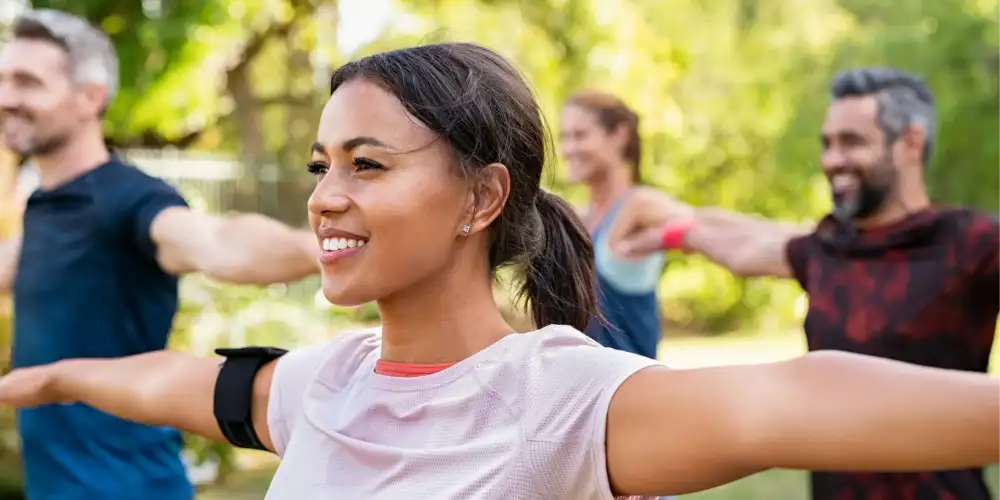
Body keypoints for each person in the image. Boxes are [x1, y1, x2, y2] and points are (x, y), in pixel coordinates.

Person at [3, 43, 1000, 500]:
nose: (323, 195)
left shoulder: (562, 398)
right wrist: (47, 378)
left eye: (367, 164)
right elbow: (184, 382)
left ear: (481, 197)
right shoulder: (324, 382)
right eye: (320, 165)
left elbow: (790, 397)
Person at [616, 67, 1000, 499]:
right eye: (828, 143)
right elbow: (747, 244)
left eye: (852, 142)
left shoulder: (971, 242)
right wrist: (672, 231)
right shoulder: (828, 248)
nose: (832, 160)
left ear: (910, 143)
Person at [0, 10, 320, 500]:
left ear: (91, 97)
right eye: (2, 79)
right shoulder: (46, 206)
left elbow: (218, 243)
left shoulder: (129, 202)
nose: (5, 98)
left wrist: (325, 250)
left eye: (27, 82)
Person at [559, 91, 691, 360]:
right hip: (585, 393)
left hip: (634, 394)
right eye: (564, 138)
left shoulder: (641, 206)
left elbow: (704, 226)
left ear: (619, 135)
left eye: (580, 135)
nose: (568, 149)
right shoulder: (579, 219)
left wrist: (666, 237)